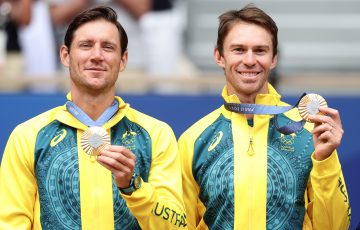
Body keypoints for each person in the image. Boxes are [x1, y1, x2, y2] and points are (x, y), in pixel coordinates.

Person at [0, 6, 187, 229]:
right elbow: (9, 224)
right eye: (86, 45)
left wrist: (133, 187)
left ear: (123, 60)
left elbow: (177, 225)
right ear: (65, 55)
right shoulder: (28, 136)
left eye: (108, 47)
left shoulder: (156, 134)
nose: (97, 56)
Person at [178, 5, 351, 229]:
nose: (250, 60)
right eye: (239, 50)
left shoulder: (309, 132)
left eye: (260, 50)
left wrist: (325, 160)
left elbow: (335, 226)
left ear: (274, 58)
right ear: (219, 56)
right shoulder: (193, 140)